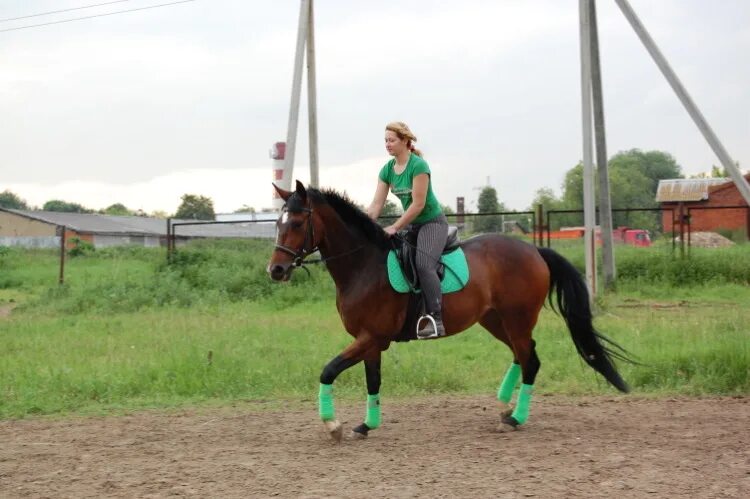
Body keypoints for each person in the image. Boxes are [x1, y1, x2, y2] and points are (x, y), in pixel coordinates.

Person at [367, 122, 448, 339]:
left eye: (391, 140)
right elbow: (376, 205)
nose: (387, 144)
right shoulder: (387, 170)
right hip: (412, 225)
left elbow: (418, 205)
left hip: (432, 223)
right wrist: (362, 227)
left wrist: (395, 226)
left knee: (423, 264)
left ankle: (436, 319)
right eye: (385, 140)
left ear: (405, 141)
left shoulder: (418, 166)